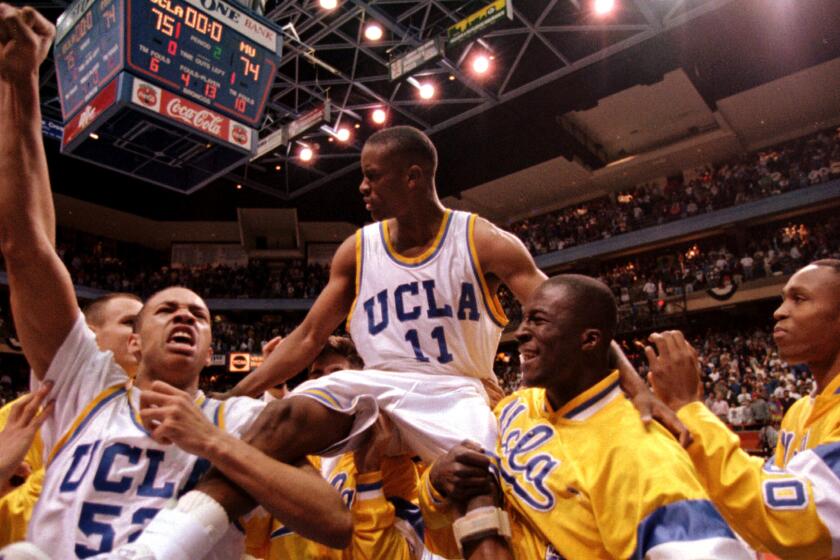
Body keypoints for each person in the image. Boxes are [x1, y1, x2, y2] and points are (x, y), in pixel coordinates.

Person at [130, 125, 683, 557]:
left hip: (456, 391)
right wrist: (232, 399)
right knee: (276, 423)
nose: (363, 189)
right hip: (377, 387)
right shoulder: (357, 248)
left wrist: (636, 388)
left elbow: (569, 314)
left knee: (476, 483)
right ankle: (161, 549)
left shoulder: (482, 239)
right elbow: (306, 339)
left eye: (373, 177)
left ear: (413, 177)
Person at [0, 5, 349, 558]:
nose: (187, 315)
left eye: (200, 315)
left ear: (211, 347)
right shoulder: (85, 388)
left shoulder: (237, 417)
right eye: (166, 310)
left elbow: (334, 521)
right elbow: (23, 245)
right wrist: (17, 85)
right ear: (133, 342)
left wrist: (210, 441)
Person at [421, 275, 751, 559]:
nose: (521, 332)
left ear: (589, 340)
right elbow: (441, 526)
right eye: (524, 319)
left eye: (538, 321)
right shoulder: (512, 407)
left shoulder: (643, 453)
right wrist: (435, 483)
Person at [646, 259, 840, 558]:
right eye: (783, 299)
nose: (779, 312)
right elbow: (760, 508)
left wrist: (688, 407)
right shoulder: (800, 409)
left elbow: (792, 520)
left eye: (799, 299)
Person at [0, 293, 143, 547]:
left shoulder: (149, 415)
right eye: (131, 322)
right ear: (89, 335)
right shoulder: (22, 417)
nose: (141, 334)